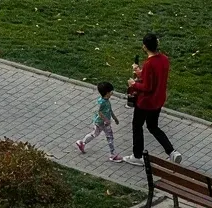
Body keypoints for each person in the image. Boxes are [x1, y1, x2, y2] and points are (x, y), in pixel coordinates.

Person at [125, 34, 181, 165]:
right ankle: (171, 151)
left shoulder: (149, 63)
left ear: (144, 46)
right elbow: (154, 78)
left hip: (145, 102)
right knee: (153, 126)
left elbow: (147, 87)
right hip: (158, 100)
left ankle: (137, 156)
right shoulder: (164, 59)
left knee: (137, 126)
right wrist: (140, 72)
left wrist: (134, 84)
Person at [76, 81, 122, 161]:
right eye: (111, 91)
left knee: (94, 134)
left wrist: (115, 118)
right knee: (109, 137)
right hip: (103, 123)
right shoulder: (102, 102)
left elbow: (110, 110)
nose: (112, 93)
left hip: (98, 122)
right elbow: (99, 112)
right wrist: (106, 120)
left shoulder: (105, 101)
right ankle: (113, 154)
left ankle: (82, 143)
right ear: (107, 93)